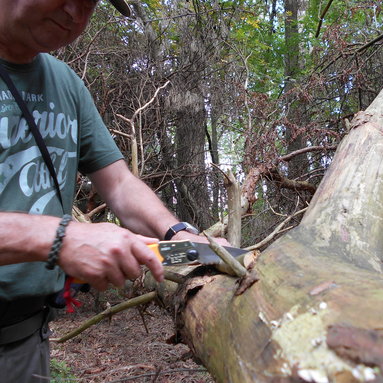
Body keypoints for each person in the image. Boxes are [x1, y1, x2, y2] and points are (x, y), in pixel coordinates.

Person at [0, 1, 222, 381]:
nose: (75, 12)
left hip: (25, 339)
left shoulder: (65, 83)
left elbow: (118, 183)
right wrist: (60, 237)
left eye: (89, 4)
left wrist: (177, 234)